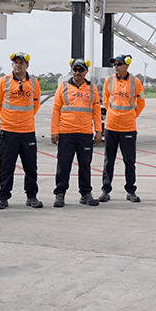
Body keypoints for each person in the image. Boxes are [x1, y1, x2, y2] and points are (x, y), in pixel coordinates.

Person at [0, 52, 42, 209]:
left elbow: (36, 103)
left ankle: (32, 196)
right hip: (8, 131)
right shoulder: (3, 81)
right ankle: (3, 197)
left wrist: (26, 118)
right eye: (15, 62)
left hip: (27, 131)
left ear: (27, 65)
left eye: (21, 62)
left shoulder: (34, 82)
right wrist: (7, 119)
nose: (18, 65)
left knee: (30, 166)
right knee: (6, 166)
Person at [51, 58, 102, 207]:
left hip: (85, 133)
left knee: (85, 165)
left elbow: (96, 111)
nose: (77, 72)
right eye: (75, 69)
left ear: (86, 71)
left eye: (81, 70)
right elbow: (55, 109)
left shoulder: (92, 88)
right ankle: (60, 194)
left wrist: (99, 131)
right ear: (71, 70)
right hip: (66, 132)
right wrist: (54, 131)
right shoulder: (63, 87)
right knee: (63, 165)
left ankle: (86, 194)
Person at [98, 54, 145, 203]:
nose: (116, 67)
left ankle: (131, 191)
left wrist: (131, 116)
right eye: (115, 64)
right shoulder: (109, 80)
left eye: (118, 64)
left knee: (129, 161)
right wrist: (113, 113)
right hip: (111, 126)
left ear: (126, 65)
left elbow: (141, 102)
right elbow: (106, 99)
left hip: (128, 127)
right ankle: (106, 190)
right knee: (109, 160)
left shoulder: (135, 82)